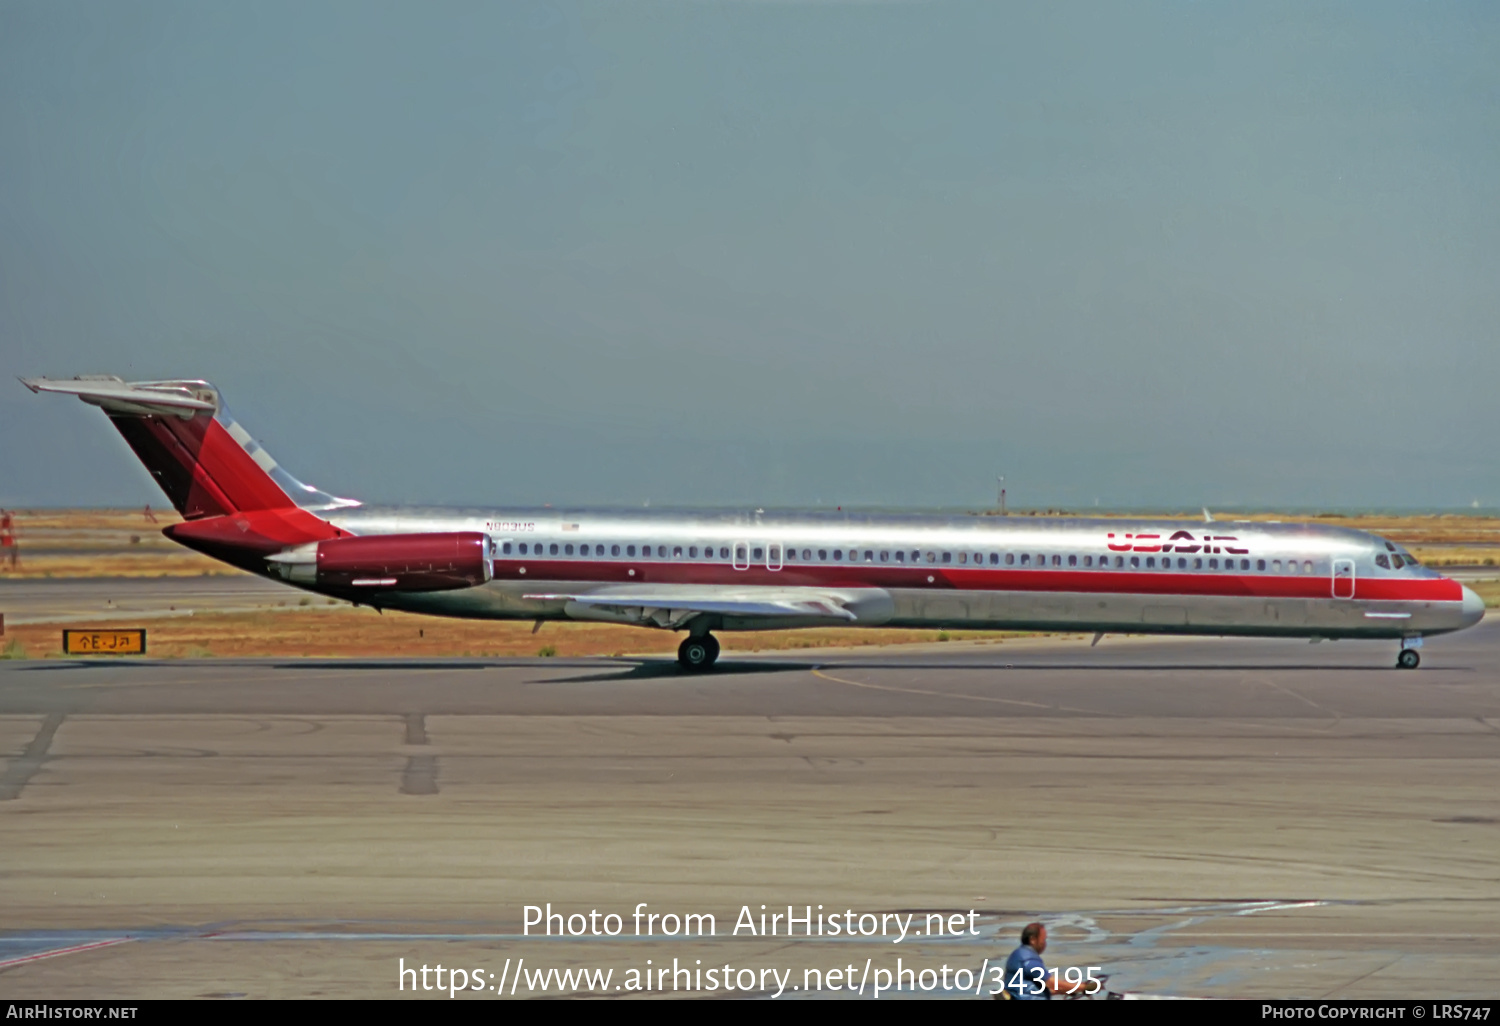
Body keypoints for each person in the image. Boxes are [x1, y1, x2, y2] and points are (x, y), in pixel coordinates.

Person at [1000, 922, 1073, 1000]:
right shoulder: (1027, 958)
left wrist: (1065, 990)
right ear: (1033, 940)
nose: (1045, 944)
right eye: (1043, 940)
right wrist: (1084, 987)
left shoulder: (1018, 954)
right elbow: (1050, 982)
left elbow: (1033, 989)